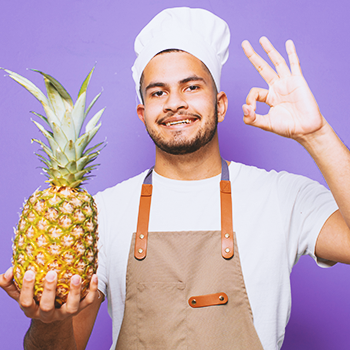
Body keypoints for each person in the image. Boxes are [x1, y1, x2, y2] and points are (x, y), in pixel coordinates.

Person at [1, 6, 350, 350]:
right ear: (143, 113)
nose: (174, 103)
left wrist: (316, 134)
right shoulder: (102, 212)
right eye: (158, 92)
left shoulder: (282, 196)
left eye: (192, 87)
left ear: (221, 104)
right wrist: (49, 322)